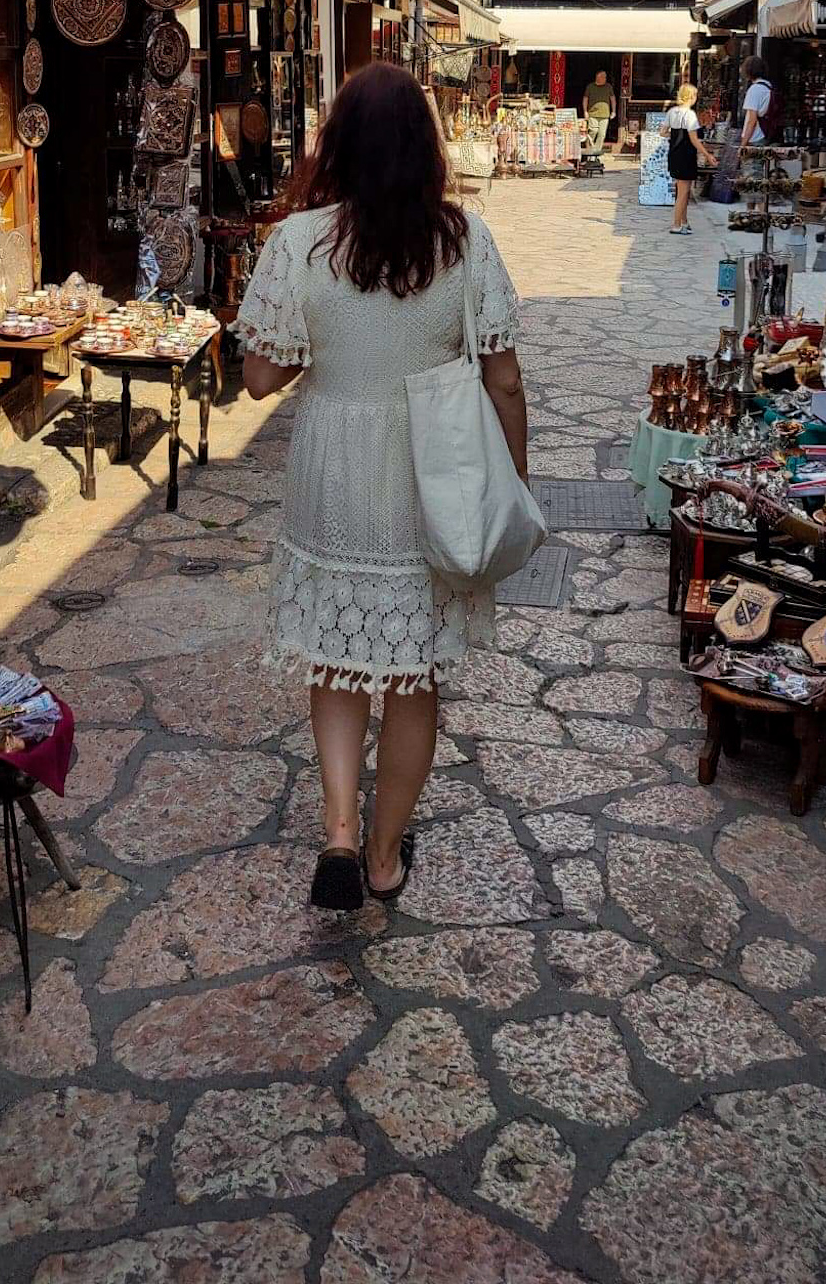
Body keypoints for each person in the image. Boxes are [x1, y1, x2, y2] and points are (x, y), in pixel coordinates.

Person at [235, 62, 526, 911]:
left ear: (340, 144)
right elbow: (503, 378)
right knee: (410, 674)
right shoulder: (463, 240)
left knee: (334, 651)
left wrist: (312, 346)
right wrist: (509, 469)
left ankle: (335, 829)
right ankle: (385, 855)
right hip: (429, 471)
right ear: (423, 147)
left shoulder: (299, 242)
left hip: (334, 466)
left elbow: (259, 379)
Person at [665, 82, 716, 234]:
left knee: (682, 190)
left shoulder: (672, 111)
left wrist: (674, 137)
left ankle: (684, 221)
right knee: (683, 192)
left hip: (674, 153)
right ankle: (676, 224)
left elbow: (662, 132)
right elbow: (694, 139)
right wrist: (707, 154)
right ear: (691, 97)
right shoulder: (690, 115)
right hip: (686, 154)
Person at [740, 55, 775, 149]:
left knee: (751, 163)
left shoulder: (754, 90)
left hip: (754, 138)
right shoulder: (768, 87)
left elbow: (752, 120)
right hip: (764, 134)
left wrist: (743, 145)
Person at [582, 70, 615, 154]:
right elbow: (585, 99)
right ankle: (589, 150)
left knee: (602, 134)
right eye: (603, 77)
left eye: (605, 77)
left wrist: (613, 111)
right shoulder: (590, 87)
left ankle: (596, 152)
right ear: (598, 77)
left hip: (605, 115)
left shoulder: (608, 87)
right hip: (593, 114)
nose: (605, 79)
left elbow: (612, 99)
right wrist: (585, 111)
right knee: (593, 131)